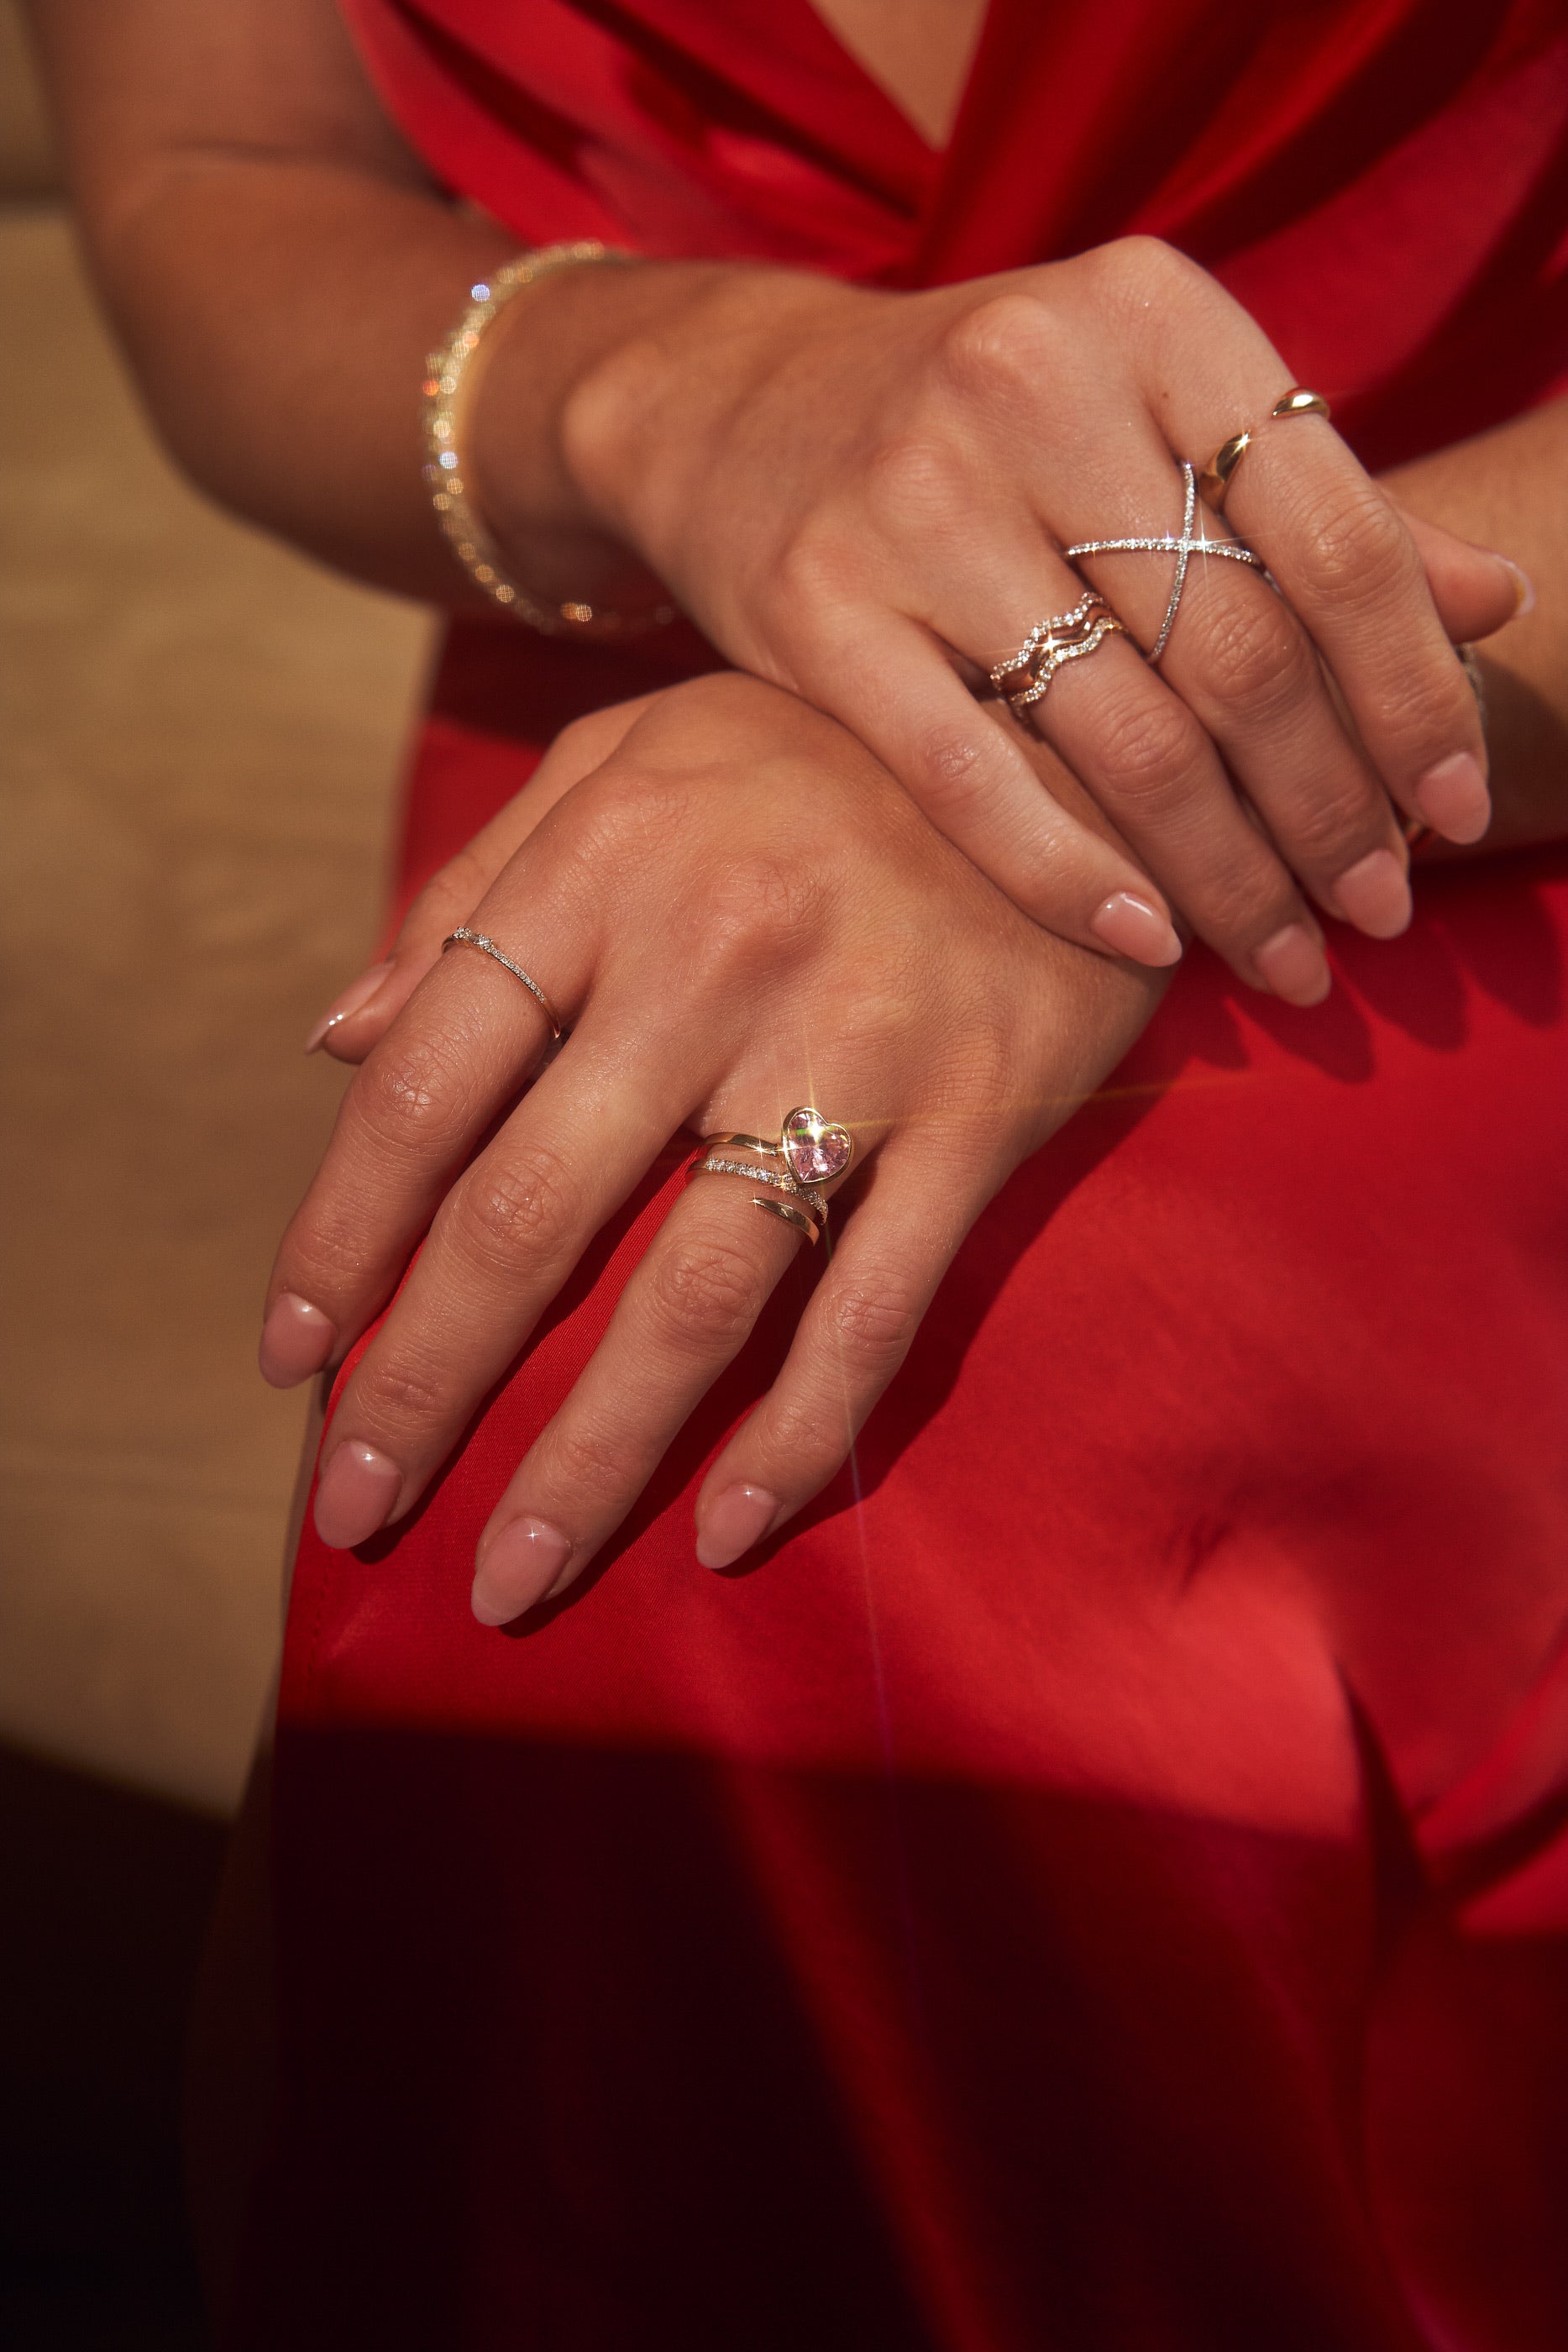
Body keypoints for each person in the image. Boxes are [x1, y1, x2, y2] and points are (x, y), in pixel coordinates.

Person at [28, 0, 1568, 2343]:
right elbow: (217, 176)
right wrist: (669, 389)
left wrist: (1042, 743)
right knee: (633, 1437)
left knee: (875, 1533)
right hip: (647, 650)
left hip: (1494, 647)